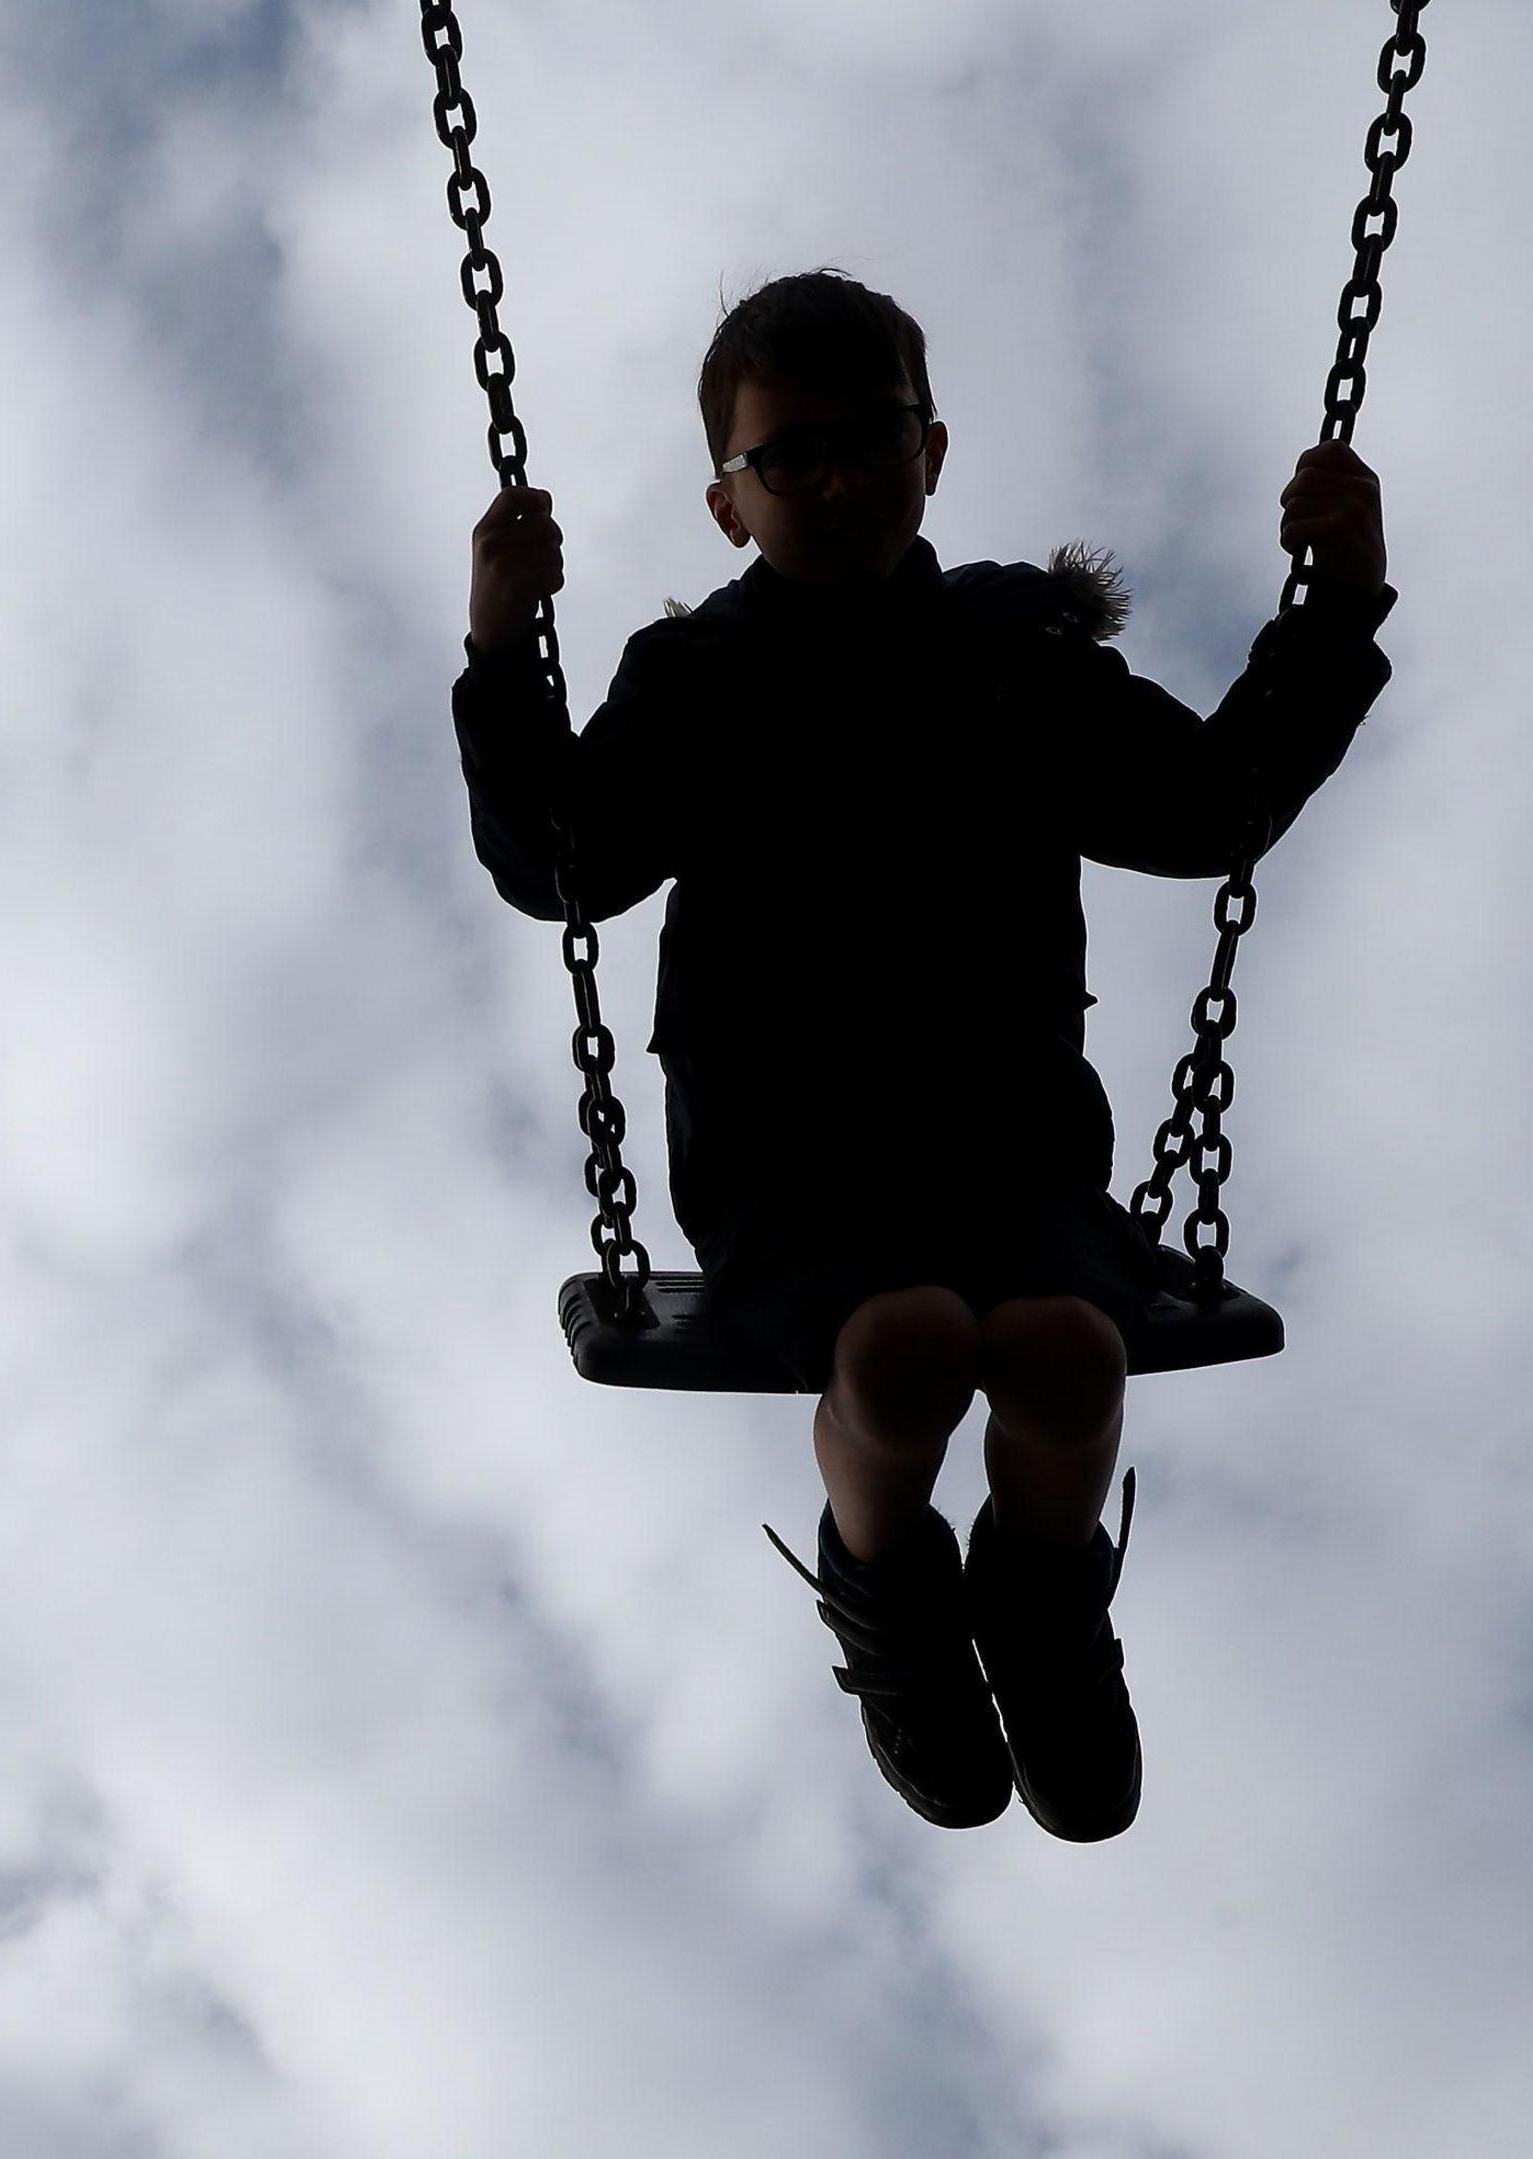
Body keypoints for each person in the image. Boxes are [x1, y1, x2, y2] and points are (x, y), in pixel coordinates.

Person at [452, 270, 1393, 1840]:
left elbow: (1209, 804)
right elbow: (566, 863)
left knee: (1067, 1353)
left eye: (869, 439)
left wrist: (1339, 605)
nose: (832, 477)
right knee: (897, 1352)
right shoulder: (697, 684)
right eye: (786, 455)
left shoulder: (1012, 659)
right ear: (725, 503)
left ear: (933, 451)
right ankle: (889, 1603)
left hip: (1002, 1128)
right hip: (782, 1146)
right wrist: (501, 646)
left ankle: (1040, 1609)